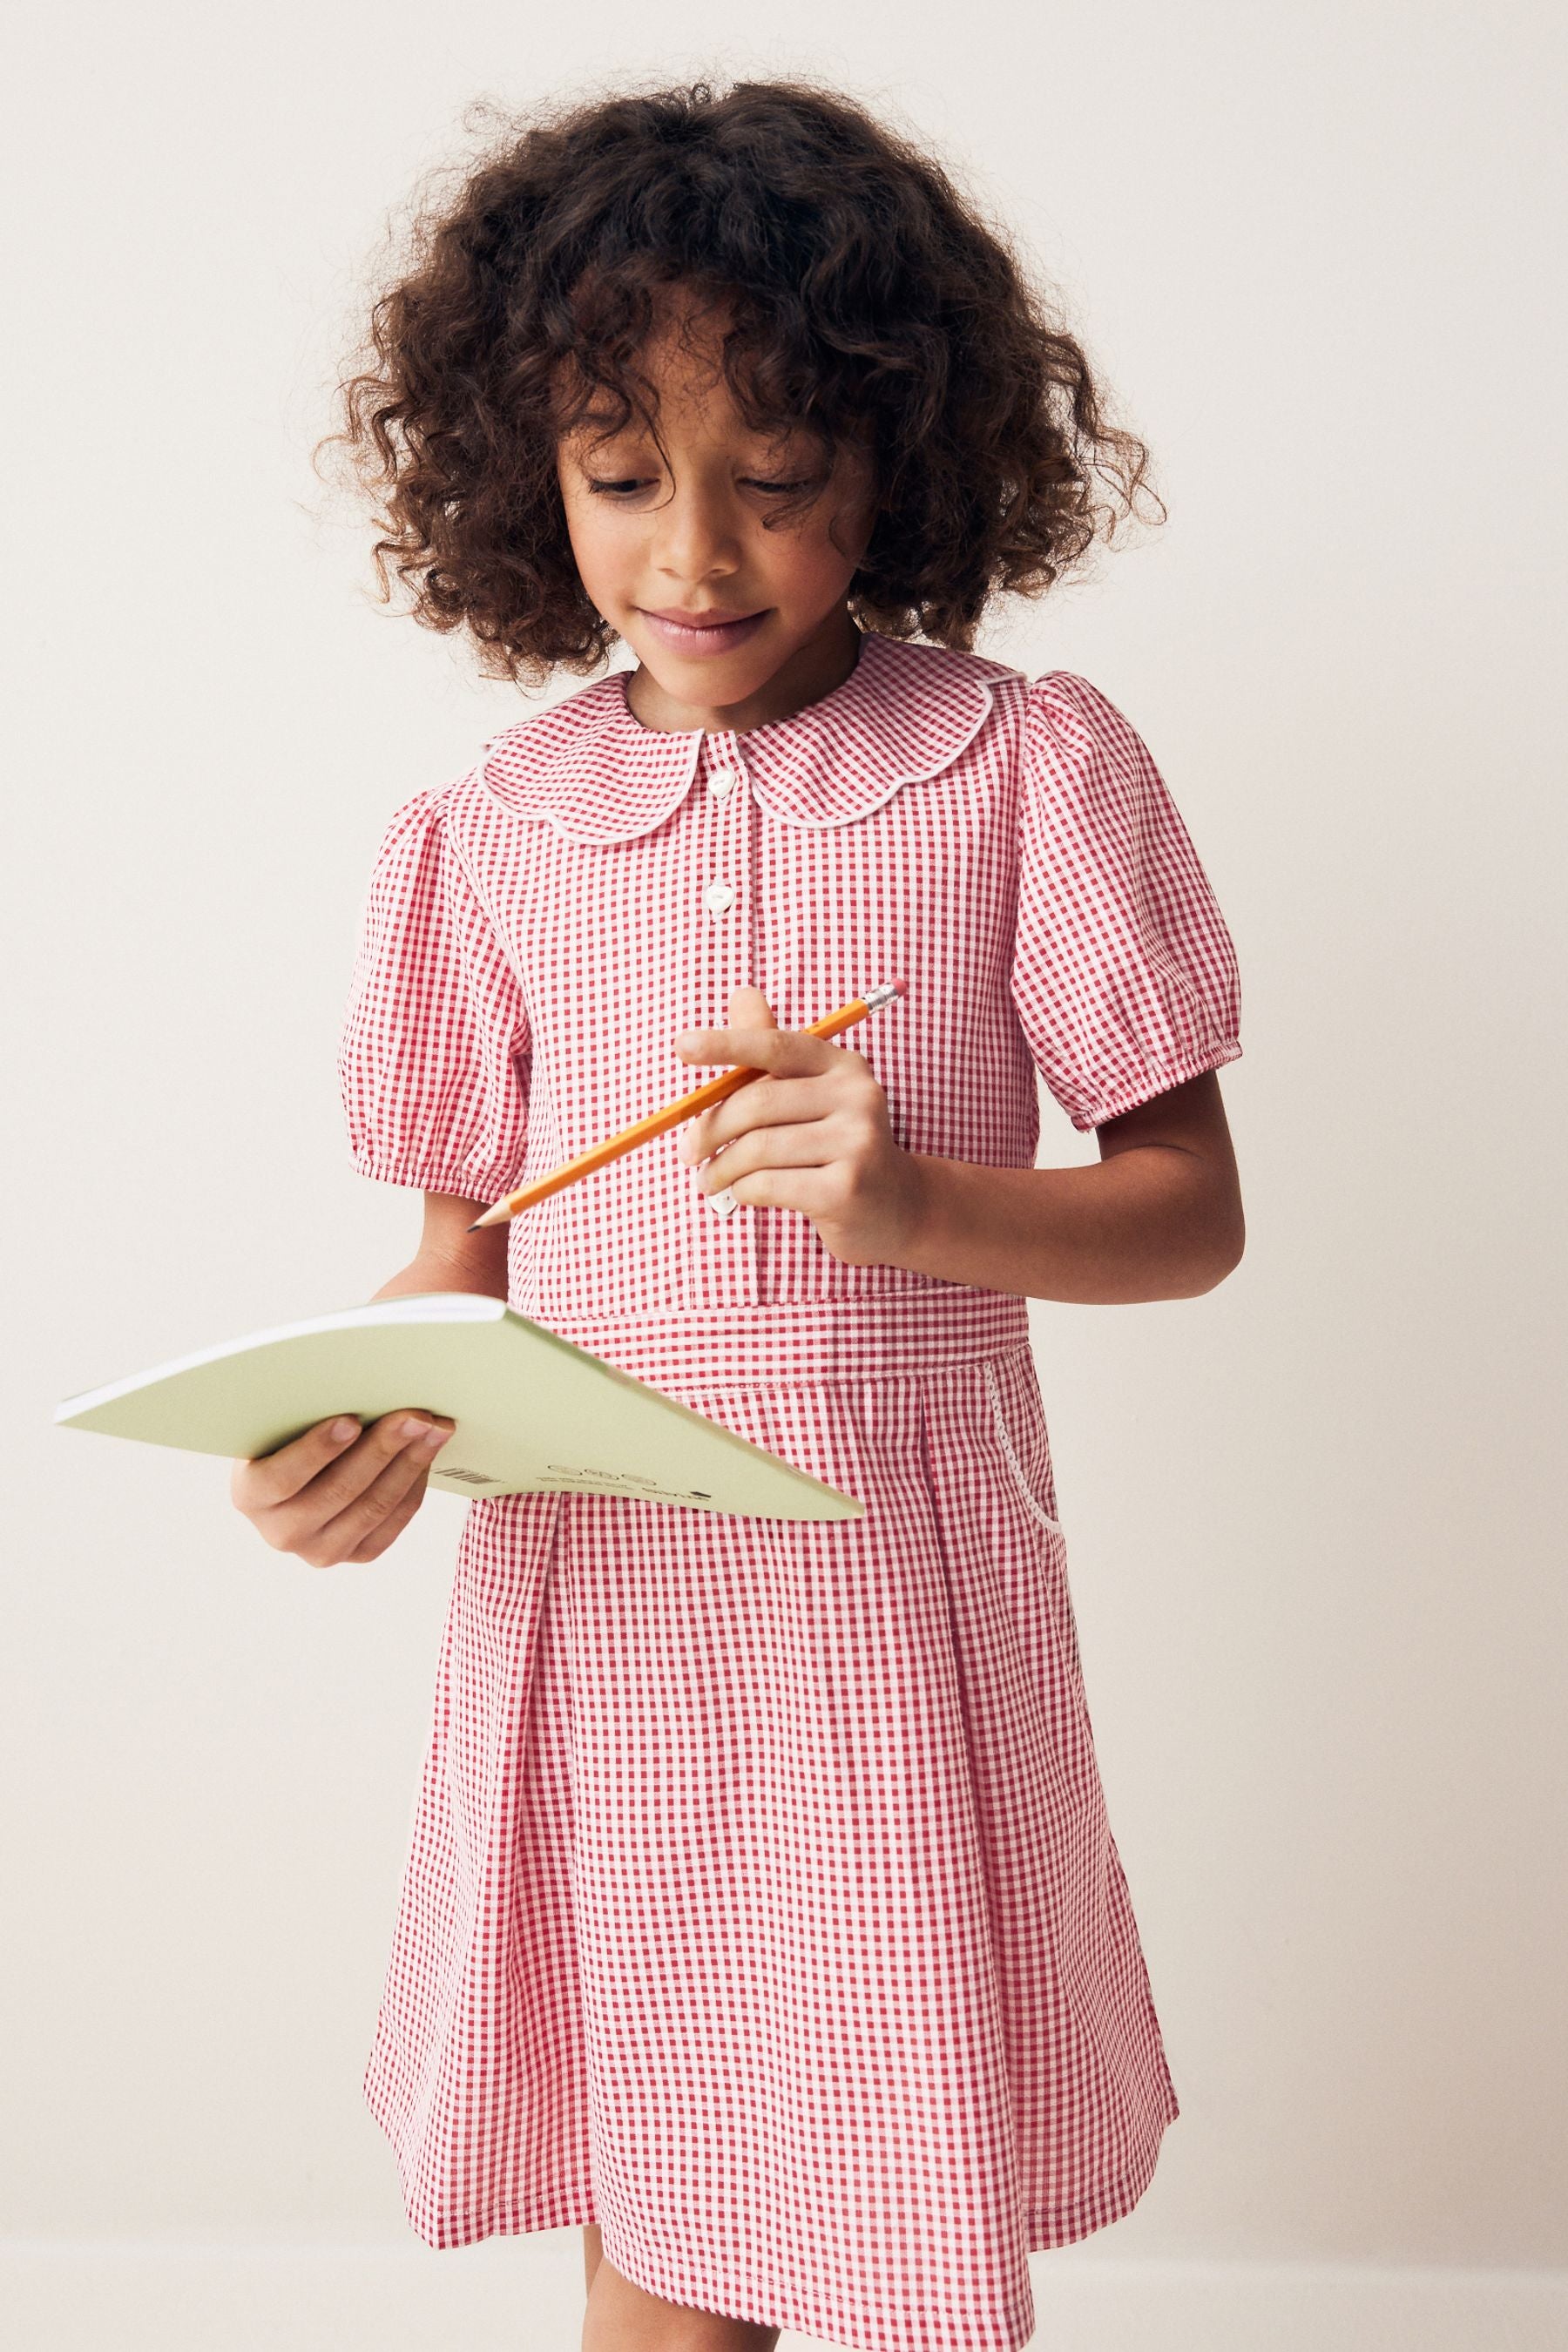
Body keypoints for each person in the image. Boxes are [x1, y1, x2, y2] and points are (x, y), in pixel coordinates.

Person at [233, 76, 1245, 2352]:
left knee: (884, 2229)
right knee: (666, 2208)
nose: (691, 550)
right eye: (621, 476)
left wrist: (918, 1206)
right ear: (527, 474)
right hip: (609, 1587)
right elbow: (455, 1261)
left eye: (774, 480)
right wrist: (360, 1444)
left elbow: (1189, 1212)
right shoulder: (499, 826)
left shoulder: (1020, 769)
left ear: (897, 459)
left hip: (887, 1582)